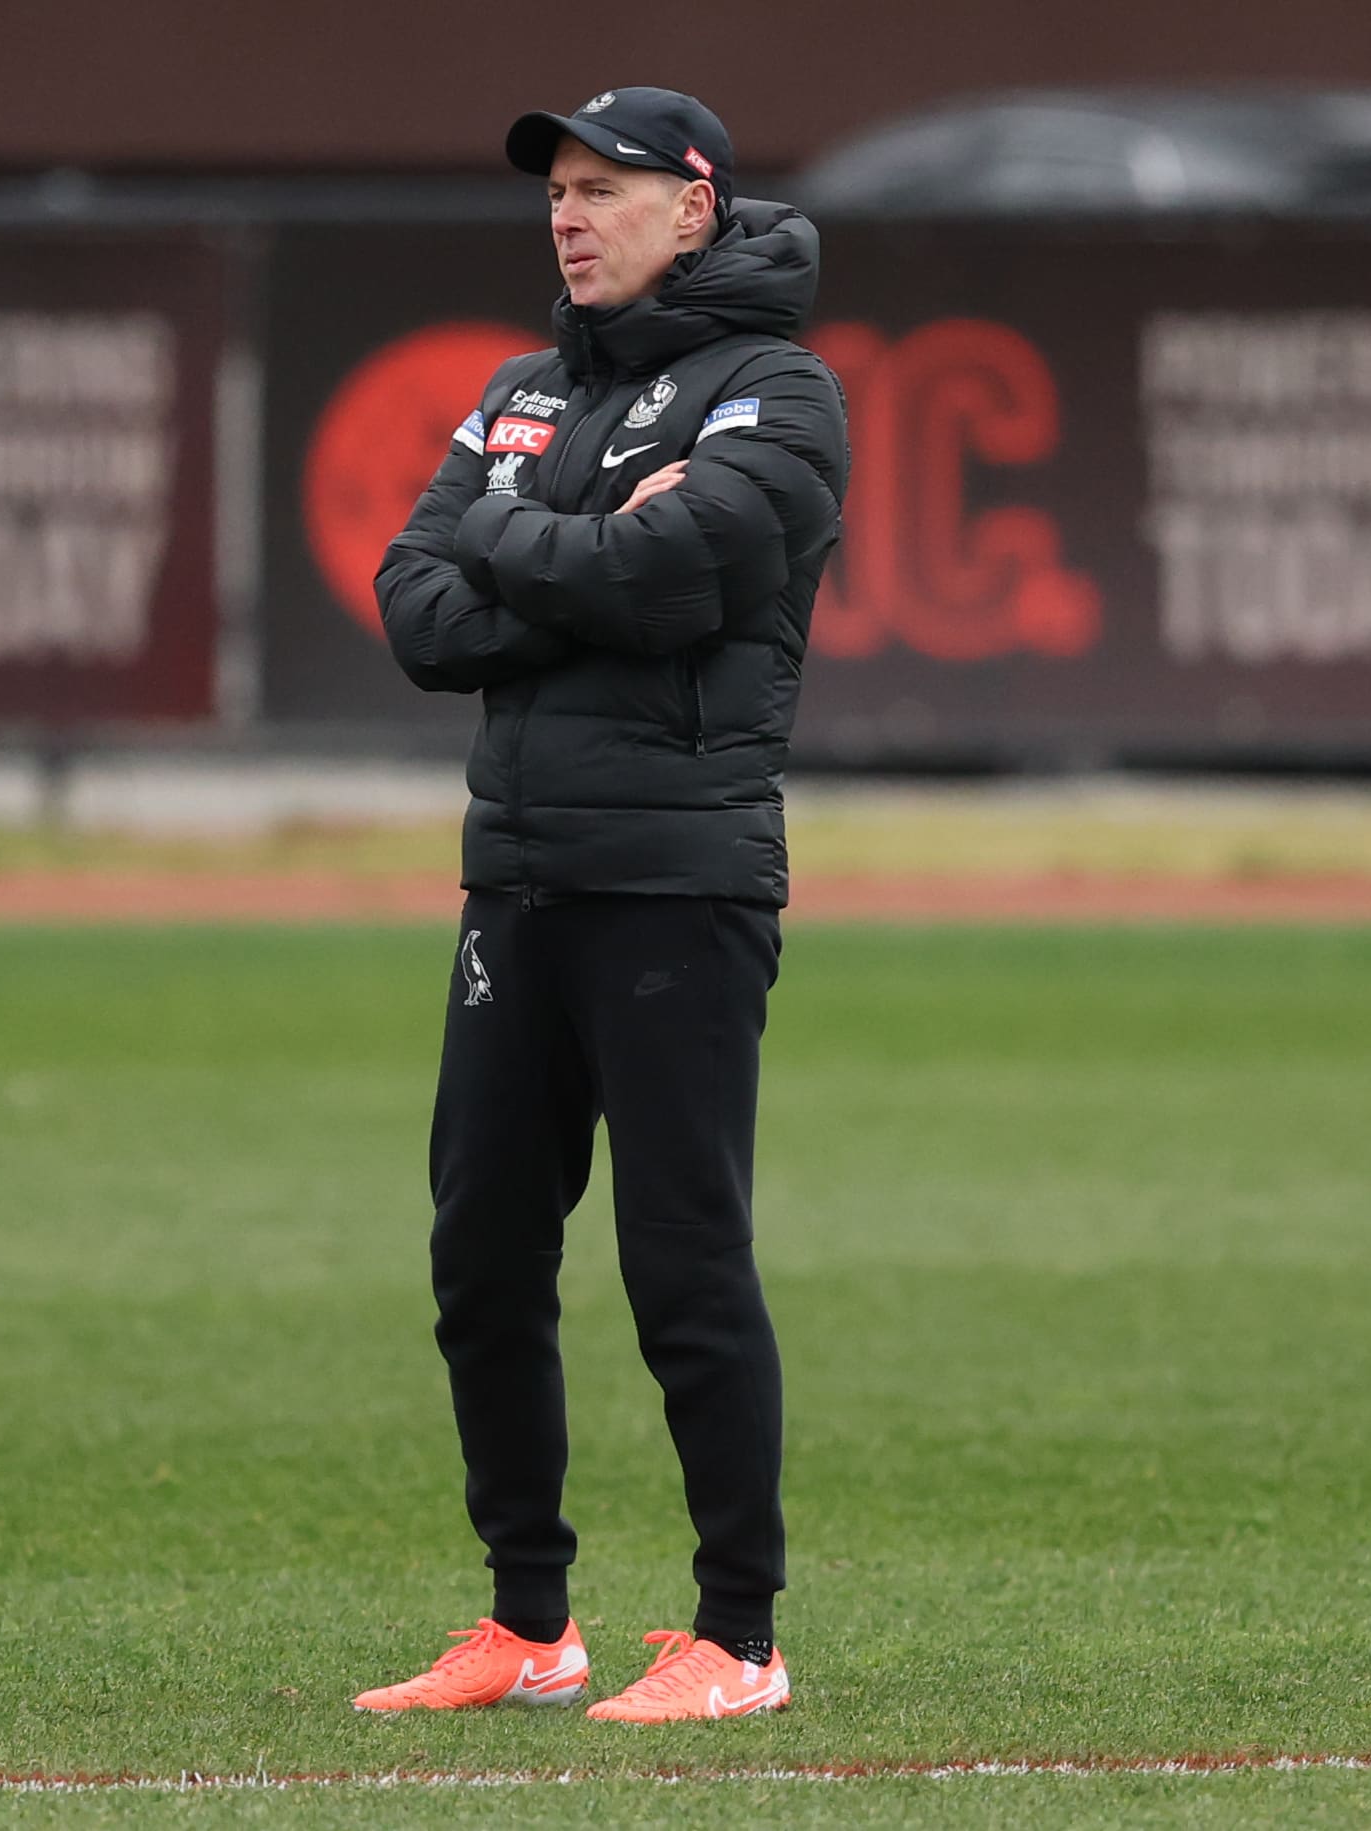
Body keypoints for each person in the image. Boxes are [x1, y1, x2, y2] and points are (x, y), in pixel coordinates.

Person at [353, 87, 848, 1723]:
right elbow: (417, 606)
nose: (568, 215)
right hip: (519, 878)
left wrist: (517, 549)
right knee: (480, 1256)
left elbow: (669, 577)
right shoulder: (516, 392)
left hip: (678, 878)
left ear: (693, 206)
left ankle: (739, 1639)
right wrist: (552, 545)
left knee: (680, 1259)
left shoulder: (775, 392)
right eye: (556, 191)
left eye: (604, 188)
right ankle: (528, 1623)